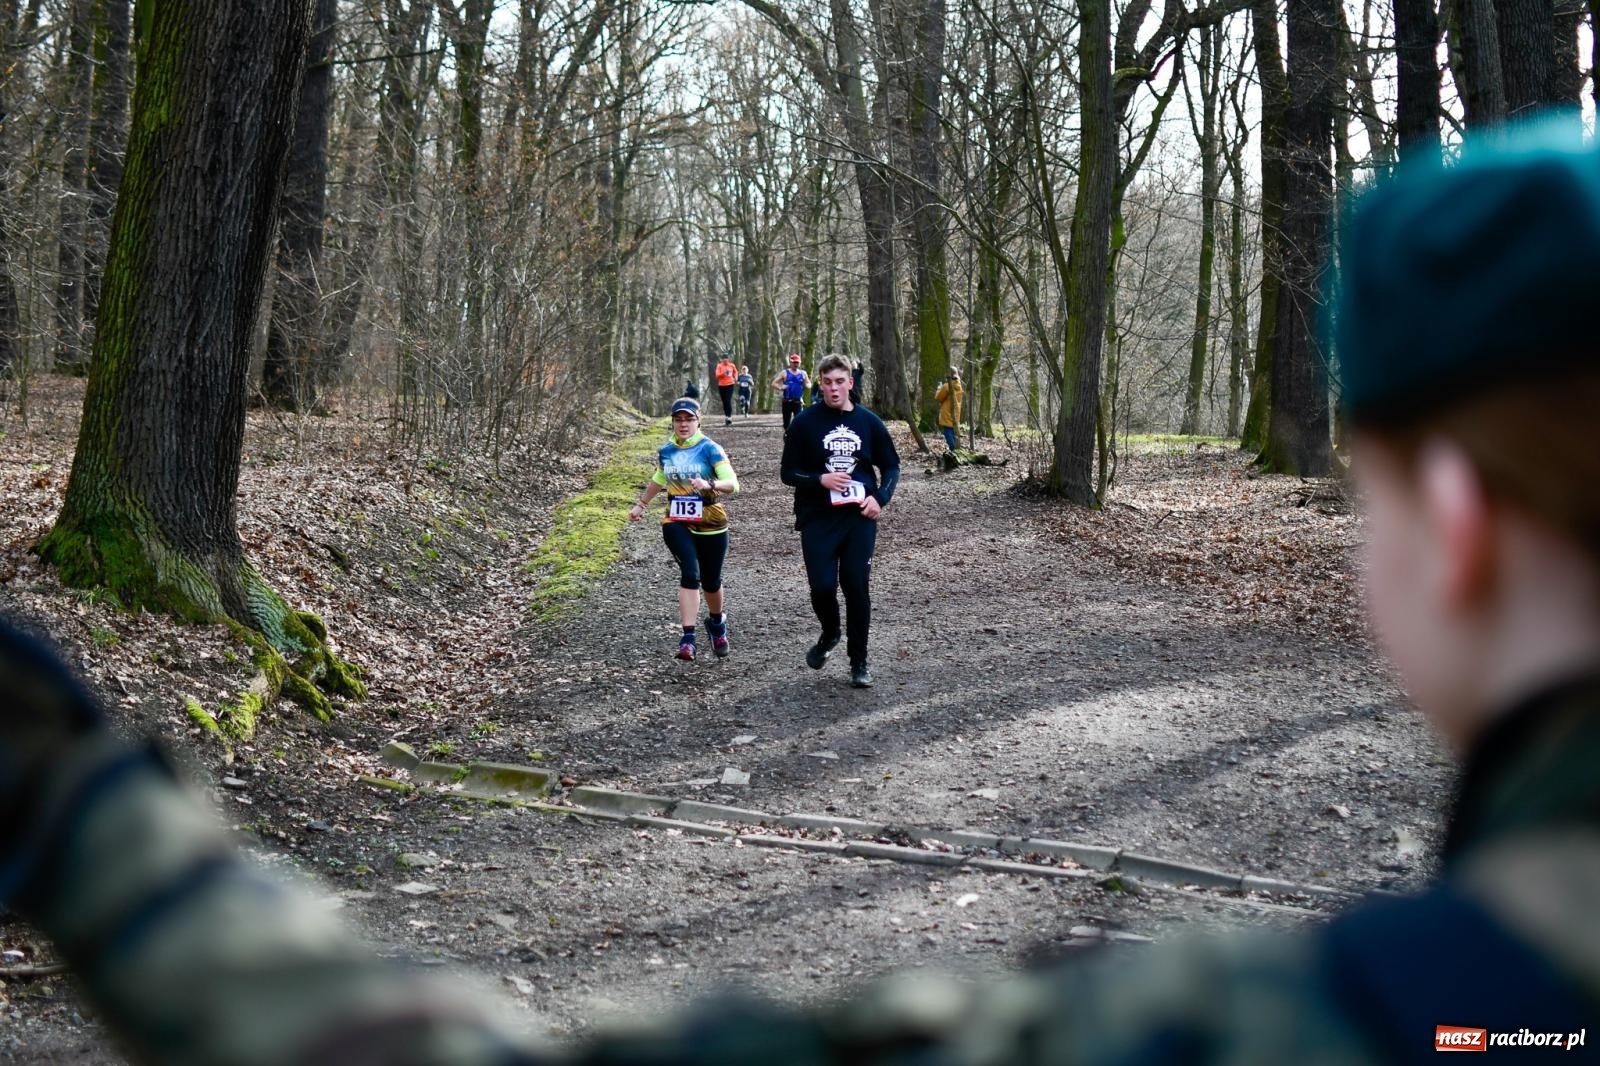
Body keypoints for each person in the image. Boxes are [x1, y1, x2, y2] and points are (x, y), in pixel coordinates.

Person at [3, 137, 1600, 1065]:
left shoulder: (1325, 1019)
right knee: (801, 600)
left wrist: (102, 834)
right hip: (787, 541)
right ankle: (821, 645)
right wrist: (784, 491)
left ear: (1449, 520)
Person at [779, 353, 900, 688]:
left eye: (840, 382)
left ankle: (859, 661)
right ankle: (830, 631)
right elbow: (788, 473)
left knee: (856, 586)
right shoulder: (804, 422)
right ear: (820, 384)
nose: (834, 389)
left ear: (851, 382)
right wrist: (820, 480)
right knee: (821, 586)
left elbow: (891, 466)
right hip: (817, 517)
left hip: (858, 517)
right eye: (827, 382)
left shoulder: (870, 422)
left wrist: (880, 498)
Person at [626, 397, 739, 660]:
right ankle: (687, 639)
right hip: (676, 521)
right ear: (673, 422)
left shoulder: (710, 448)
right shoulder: (667, 451)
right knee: (691, 573)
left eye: (689, 419)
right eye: (678, 420)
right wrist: (641, 505)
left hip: (711, 521)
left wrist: (709, 484)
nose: (683, 424)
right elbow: (660, 478)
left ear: (698, 421)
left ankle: (716, 623)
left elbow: (732, 483)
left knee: (711, 581)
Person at [771, 352, 808, 432]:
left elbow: (809, 383)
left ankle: (796, 438)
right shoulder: (785, 373)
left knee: (799, 421)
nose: (796, 364)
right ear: (790, 362)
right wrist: (781, 387)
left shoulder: (803, 373)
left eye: (797, 362)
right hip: (787, 401)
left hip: (798, 401)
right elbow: (774, 383)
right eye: (794, 362)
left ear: (800, 363)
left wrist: (807, 385)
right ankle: (788, 437)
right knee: (786, 423)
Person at [935, 367, 964, 452]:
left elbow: (938, 397)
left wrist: (938, 389)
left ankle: (953, 449)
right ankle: (955, 449)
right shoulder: (959, 386)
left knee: (947, 431)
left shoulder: (947, 386)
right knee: (952, 431)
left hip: (947, 411)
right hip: (956, 412)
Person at [714, 355, 739, 426]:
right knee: (724, 401)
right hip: (721, 385)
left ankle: (729, 417)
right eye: (723, 359)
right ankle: (726, 416)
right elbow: (717, 375)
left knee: (728, 400)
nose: (725, 360)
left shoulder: (732, 365)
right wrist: (724, 373)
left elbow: (736, 372)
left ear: (728, 359)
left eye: (726, 359)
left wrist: (736, 377)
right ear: (721, 359)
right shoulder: (719, 366)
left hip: (730, 384)